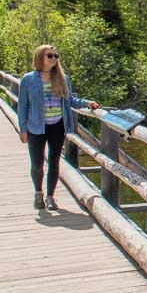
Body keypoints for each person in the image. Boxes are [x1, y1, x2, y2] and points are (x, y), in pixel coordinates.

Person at [17, 45, 99, 210]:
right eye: (50, 56)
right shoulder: (28, 79)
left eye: (56, 56)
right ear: (40, 57)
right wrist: (23, 129)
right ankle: (38, 194)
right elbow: (23, 106)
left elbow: (70, 101)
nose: (54, 59)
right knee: (37, 163)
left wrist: (87, 103)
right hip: (36, 127)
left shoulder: (62, 78)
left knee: (54, 161)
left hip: (57, 125)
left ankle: (50, 197)